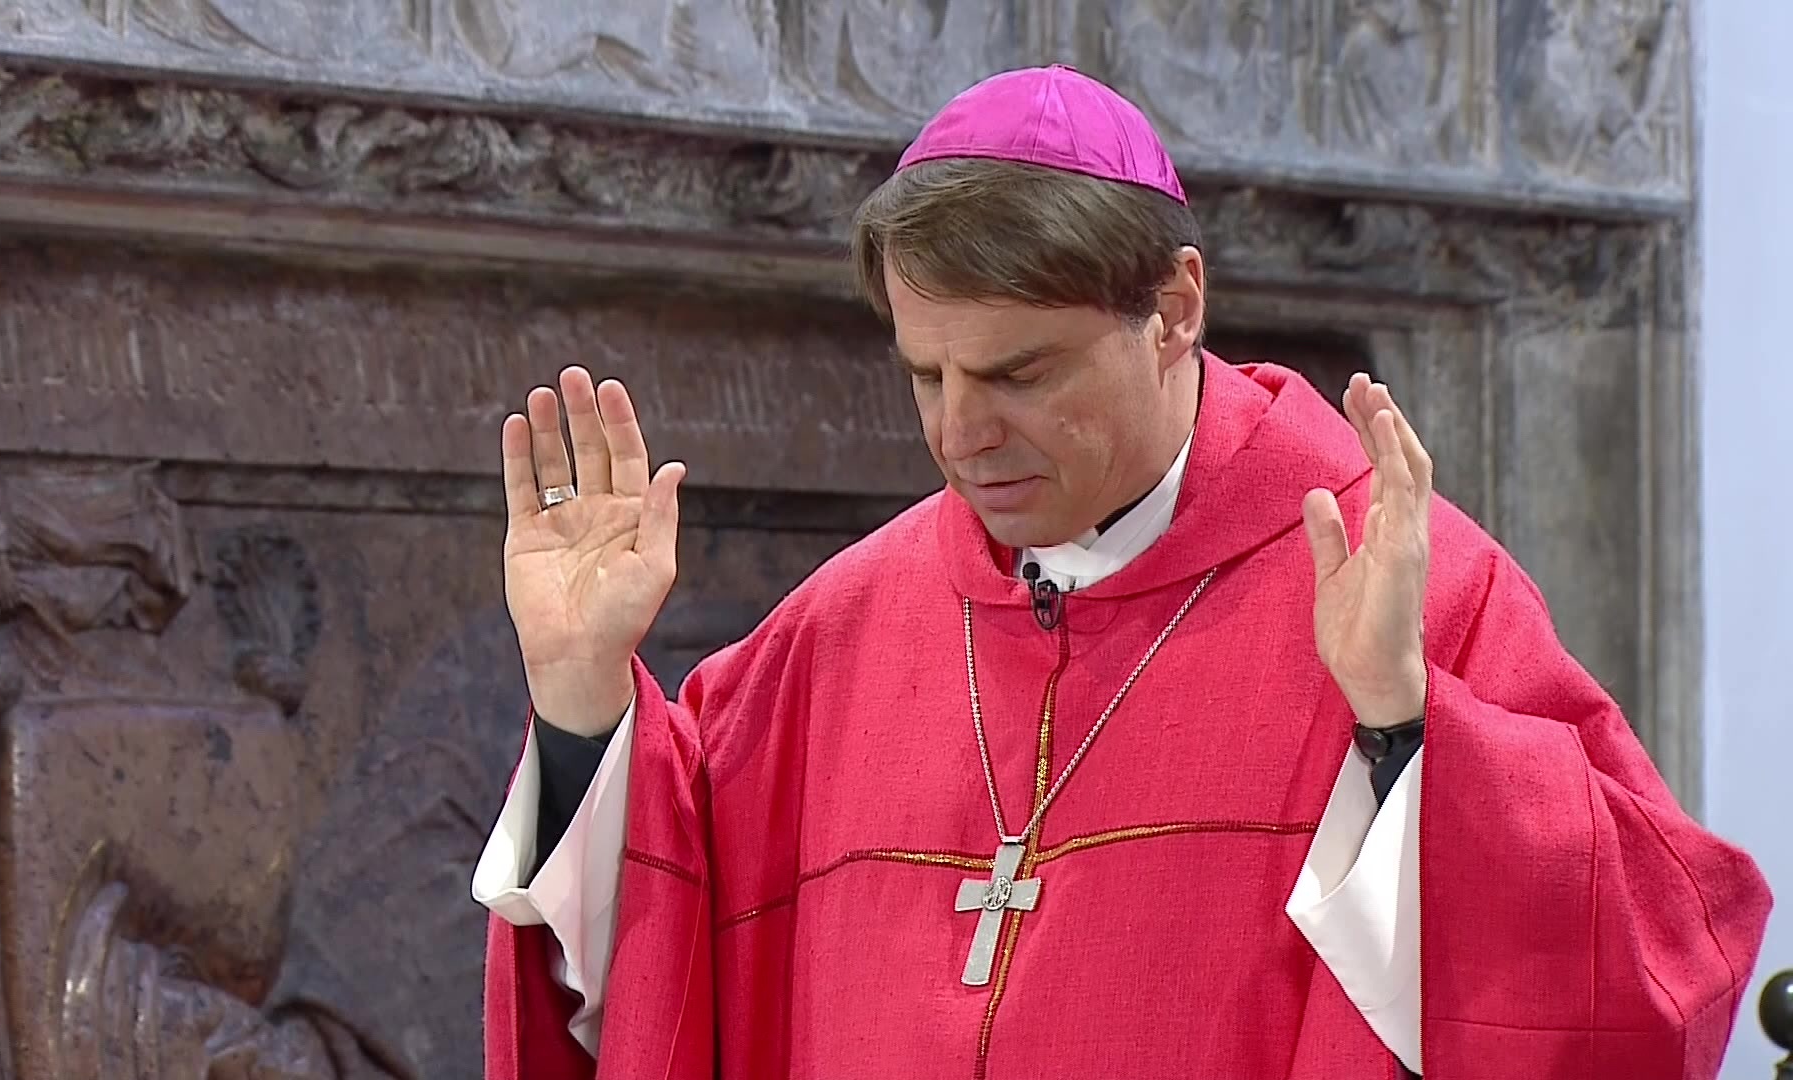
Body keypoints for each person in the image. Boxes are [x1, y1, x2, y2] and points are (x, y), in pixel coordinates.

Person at [470, 64, 1771, 1079]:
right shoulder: (840, 633)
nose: (958, 432)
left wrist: (1408, 735)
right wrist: (586, 703)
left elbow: (1652, 978)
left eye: (1019, 374)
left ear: (1174, 309)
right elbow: (659, 964)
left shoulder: (1395, 585)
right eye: (928, 374)